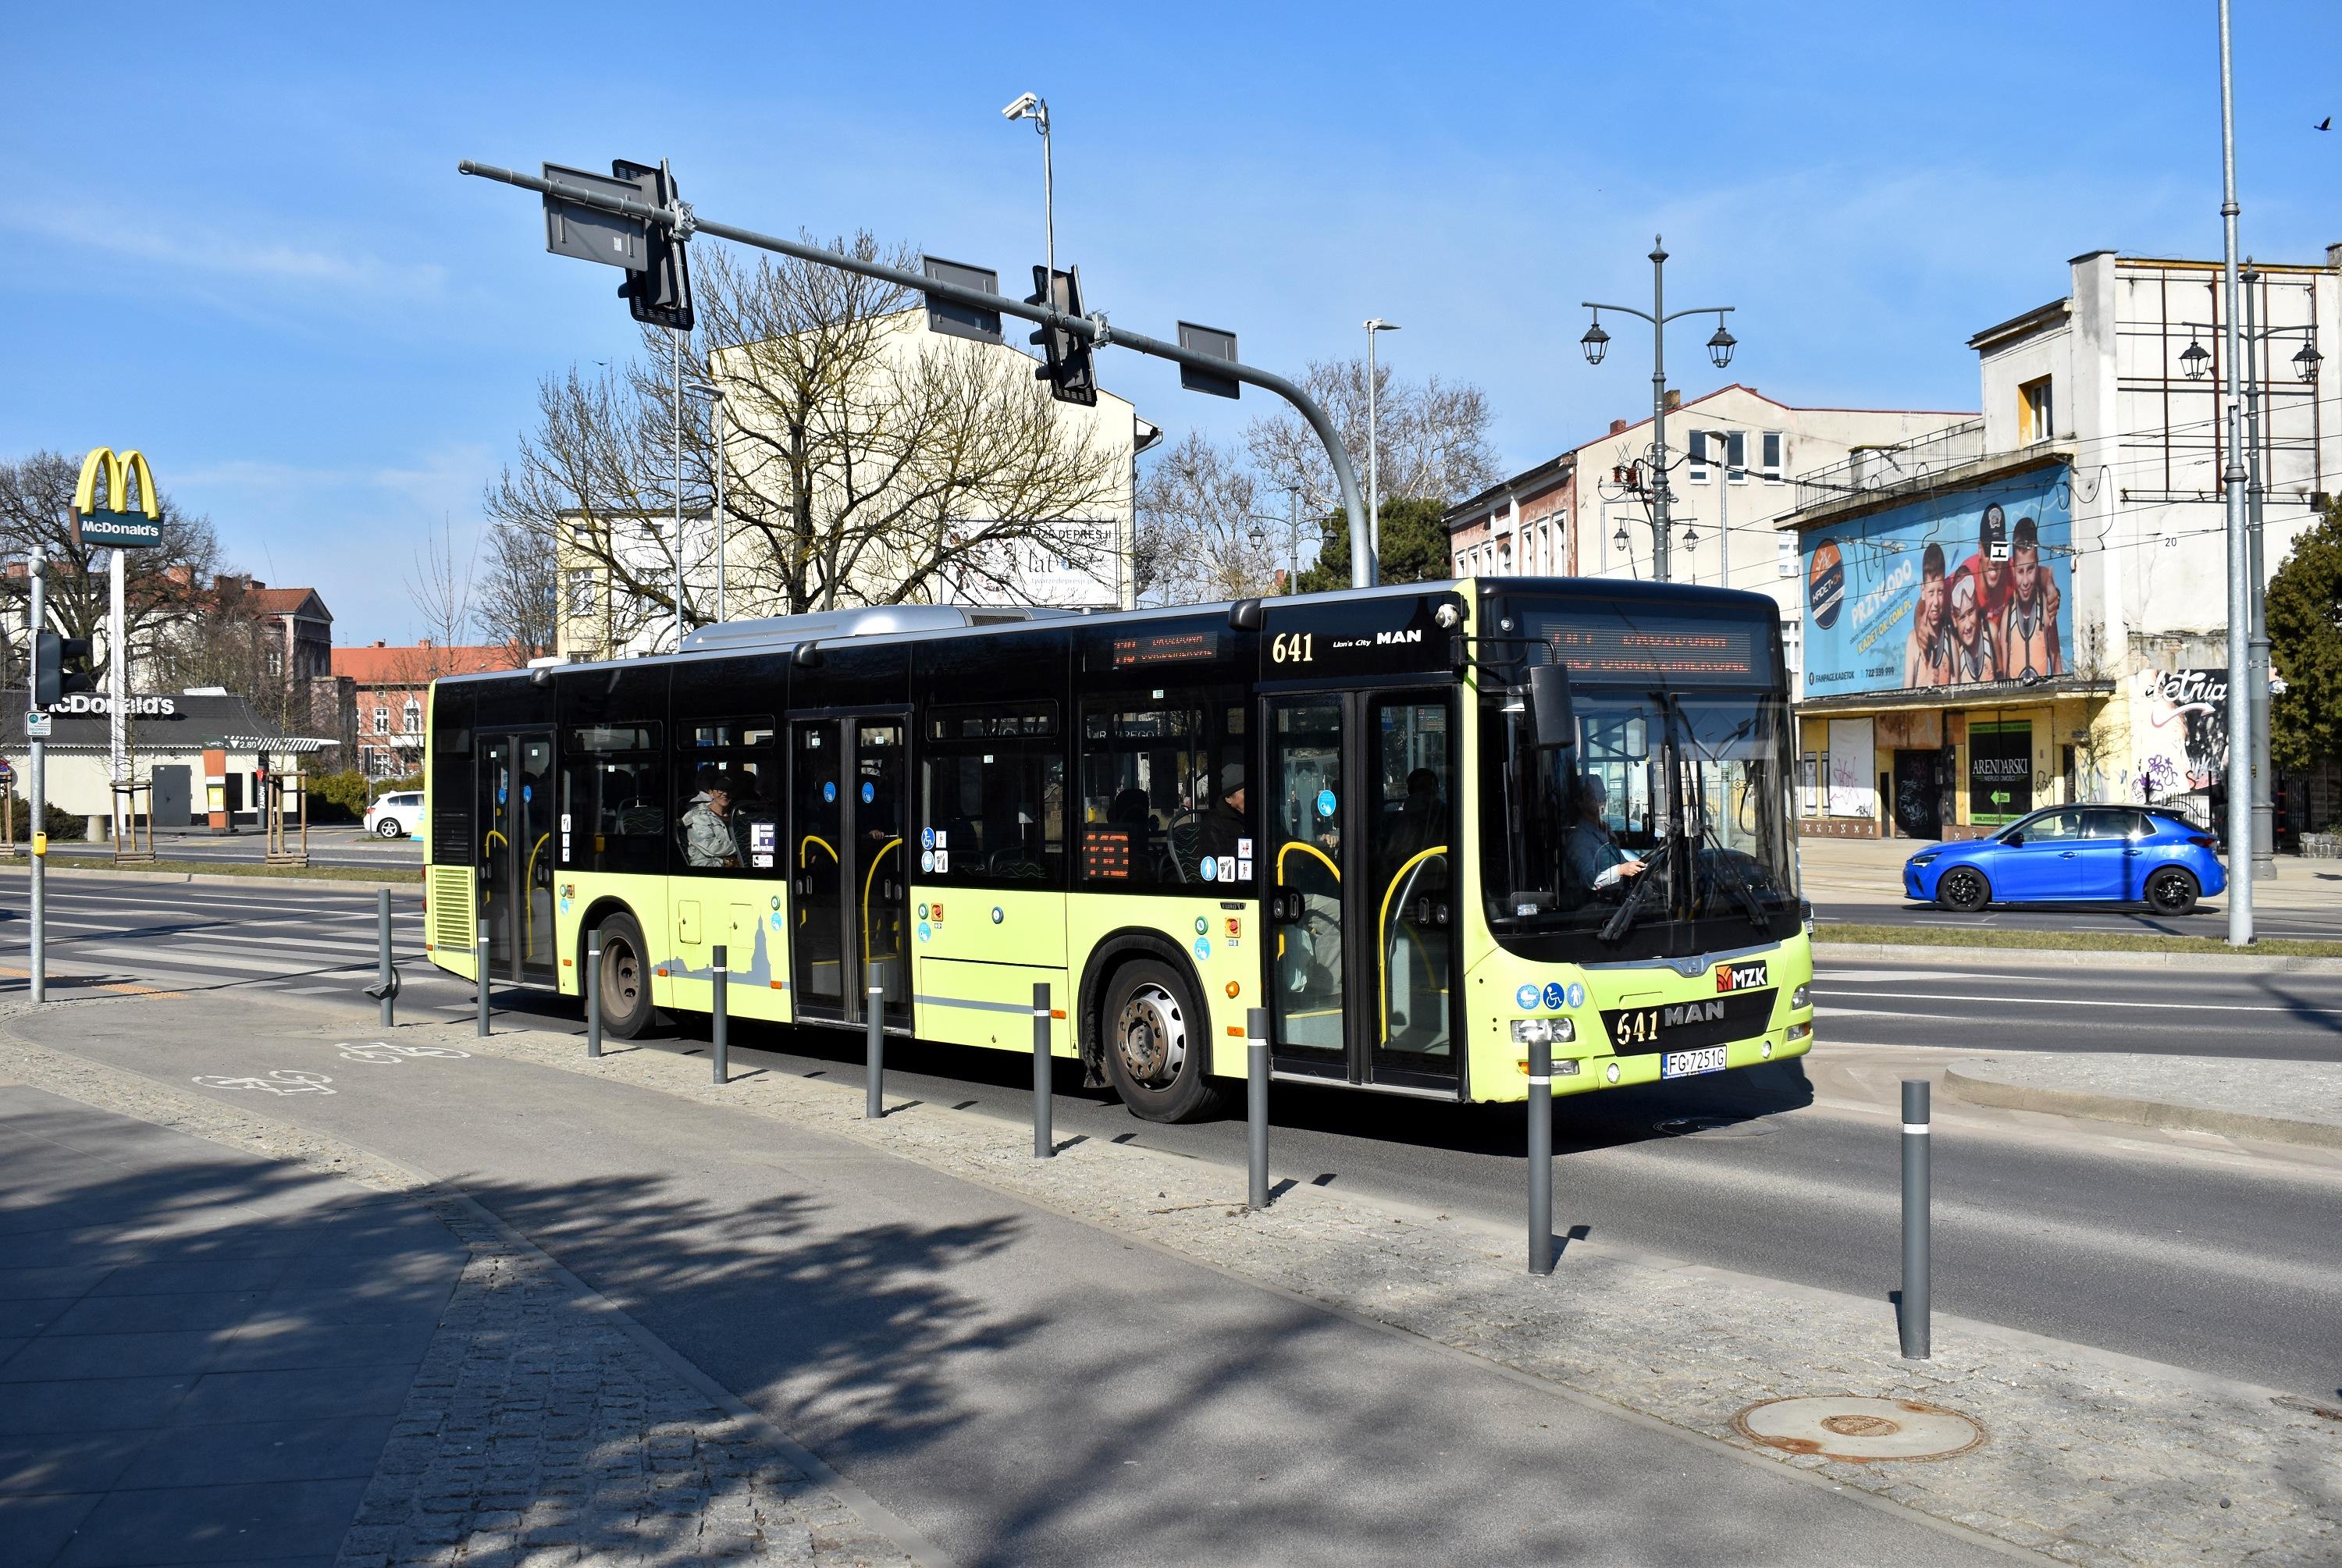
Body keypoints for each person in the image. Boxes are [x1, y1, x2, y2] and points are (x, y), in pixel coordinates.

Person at [1999, 514, 2063, 681]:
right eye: (2020, 571)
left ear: (2037, 563)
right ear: (2013, 569)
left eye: (2031, 569)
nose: (2025, 581)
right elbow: (2004, 671)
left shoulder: (2046, 609)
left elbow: (2056, 661)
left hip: (2044, 696)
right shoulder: (2008, 615)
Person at [1563, 775, 1647, 898]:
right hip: (1595, 907)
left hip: (1618, 900)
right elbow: (1590, 880)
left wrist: (1639, 867)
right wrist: (1620, 870)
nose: (1600, 800)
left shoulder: (1605, 830)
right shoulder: (1578, 838)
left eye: (1603, 794)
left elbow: (1621, 863)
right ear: (1579, 802)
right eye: (1593, 796)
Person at [1902, 542, 1951, 688]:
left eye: (1940, 592)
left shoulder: (1950, 638)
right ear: (1923, 590)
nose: (1936, 602)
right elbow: (1905, 694)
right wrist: (1924, 685)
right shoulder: (1912, 640)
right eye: (1931, 592)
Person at [1944, 569, 2001, 684]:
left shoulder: (1991, 633)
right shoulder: (1955, 650)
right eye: (1962, 618)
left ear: (1977, 607)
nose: (1968, 625)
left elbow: (2002, 674)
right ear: (1954, 620)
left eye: (1971, 613)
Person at [1196, 763, 1248, 866]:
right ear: (1229, 799)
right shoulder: (1213, 825)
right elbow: (1217, 868)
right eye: (1244, 793)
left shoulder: (1257, 817)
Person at [682, 777, 739, 869]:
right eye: (720, 790)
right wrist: (744, 846)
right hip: (708, 868)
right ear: (711, 793)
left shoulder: (740, 815)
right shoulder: (698, 816)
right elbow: (712, 847)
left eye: (728, 790)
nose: (725, 794)